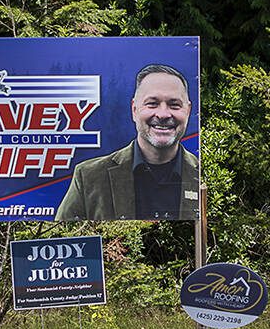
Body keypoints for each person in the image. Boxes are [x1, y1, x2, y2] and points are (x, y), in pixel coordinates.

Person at [55, 63, 200, 221]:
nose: (163, 114)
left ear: (188, 111)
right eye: (152, 103)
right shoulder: (89, 177)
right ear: (134, 110)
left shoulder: (205, 176)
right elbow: (63, 234)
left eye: (174, 105)